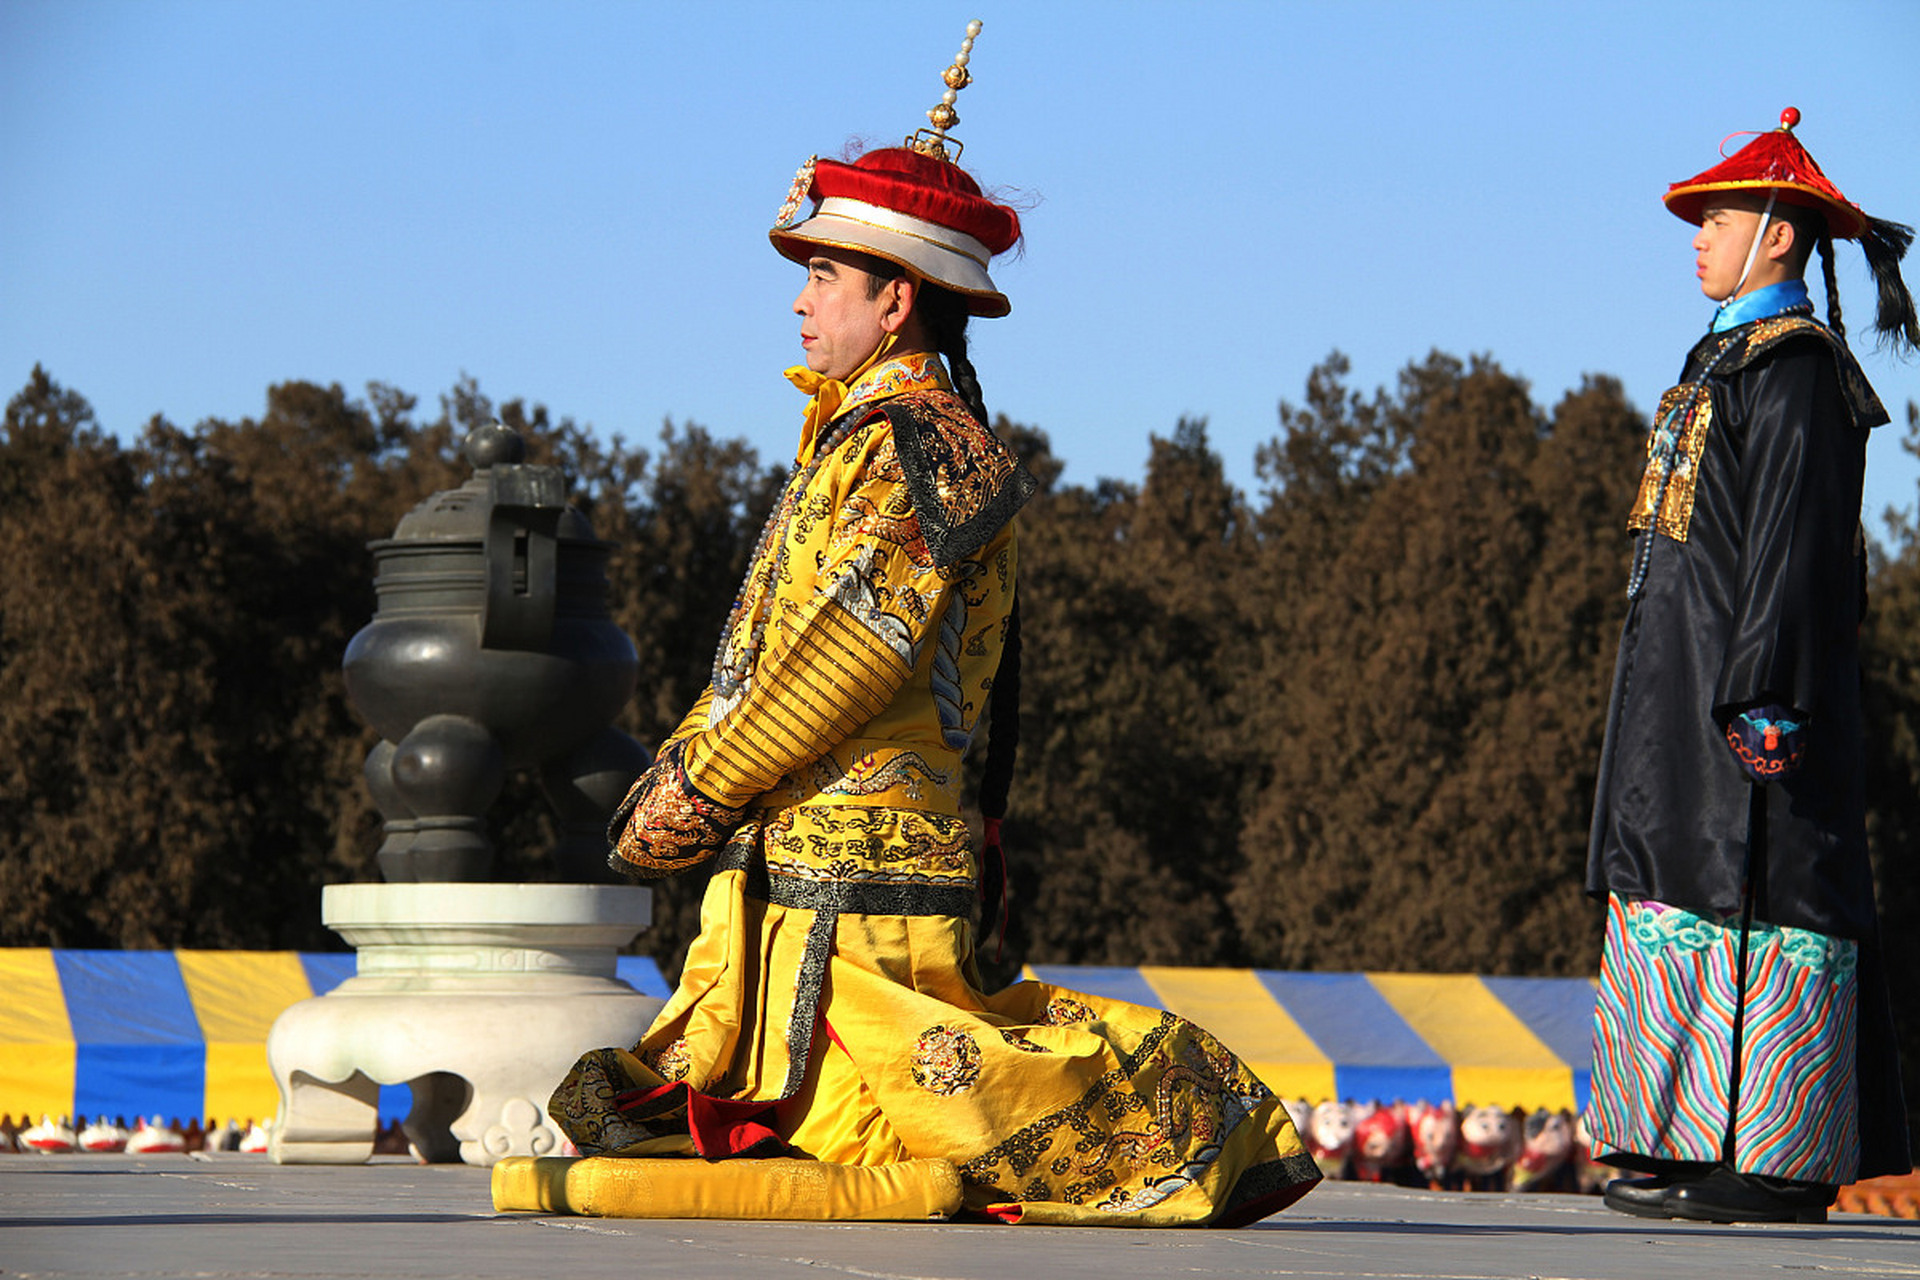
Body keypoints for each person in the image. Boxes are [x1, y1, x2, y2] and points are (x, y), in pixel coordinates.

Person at [512, 24, 1320, 1226]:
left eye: (823, 278)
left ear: (894, 301)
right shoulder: (866, 435)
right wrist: (691, 770)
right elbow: (769, 651)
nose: (798, 301)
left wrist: (696, 787)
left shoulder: (919, 446)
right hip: (805, 855)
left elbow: (845, 652)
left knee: (903, 1122)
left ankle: (1182, 1128)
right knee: (785, 1130)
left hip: (863, 865)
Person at [1585, 107, 1918, 1224]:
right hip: (1682, 693)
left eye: (1715, 218)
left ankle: (1777, 1157)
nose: (1696, 237)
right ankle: (1682, 1133)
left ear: (1778, 233)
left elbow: (1788, 547)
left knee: (1768, 888)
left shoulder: (1796, 375)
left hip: (1753, 696)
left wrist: (1765, 692)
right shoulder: (1723, 361)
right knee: (1674, 871)